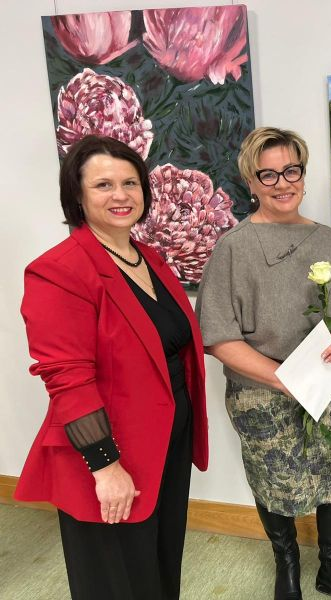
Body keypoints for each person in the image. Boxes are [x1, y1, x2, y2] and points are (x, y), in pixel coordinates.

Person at [16, 135, 208, 599]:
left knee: (159, 565)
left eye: (130, 183)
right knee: (116, 581)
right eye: (103, 184)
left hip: (167, 440)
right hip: (109, 451)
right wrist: (106, 466)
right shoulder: (59, 270)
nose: (120, 195)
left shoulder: (149, 257)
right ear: (77, 196)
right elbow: (68, 379)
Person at [196, 127, 331, 600]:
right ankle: (288, 567)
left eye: (291, 171)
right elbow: (217, 336)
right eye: (268, 175)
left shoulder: (328, 240)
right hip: (261, 391)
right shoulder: (233, 248)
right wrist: (281, 379)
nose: (283, 183)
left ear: (303, 174)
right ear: (251, 183)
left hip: (326, 385)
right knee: (274, 478)